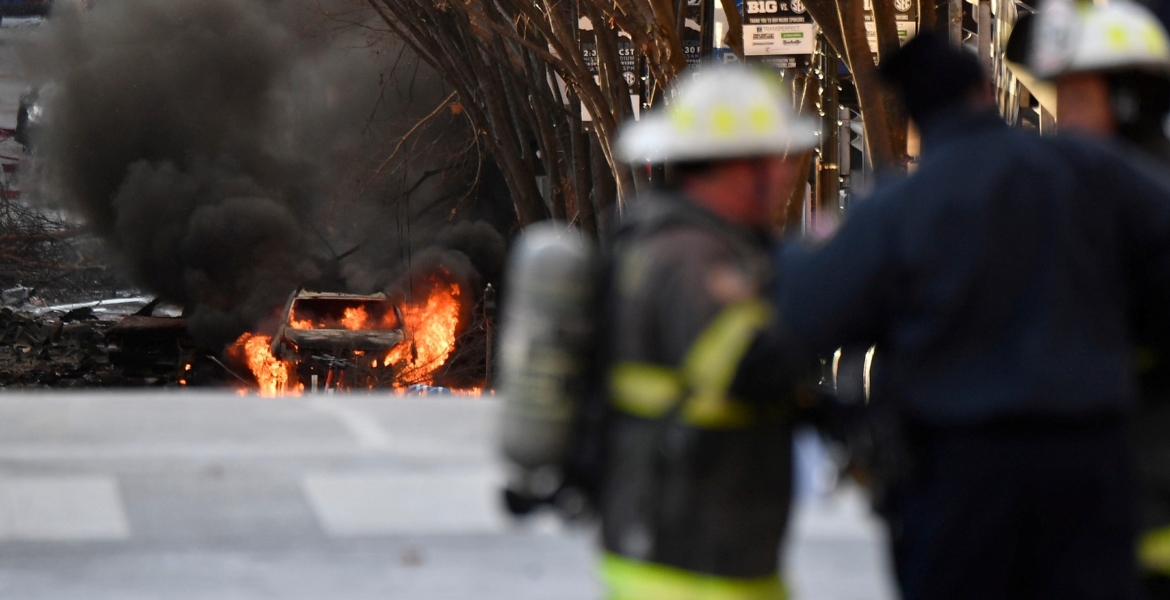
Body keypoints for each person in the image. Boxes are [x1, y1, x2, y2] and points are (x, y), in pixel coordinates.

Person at [774, 31, 1170, 600]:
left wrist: (846, 407)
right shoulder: (1087, 169)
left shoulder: (899, 208)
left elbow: (806, 316)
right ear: (986, 91)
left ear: (913, 115)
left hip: (960, 470)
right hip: (1090, 457)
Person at [594, 65, 816, 599]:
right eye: (773, 159)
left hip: (701, 547)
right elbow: (750, 365)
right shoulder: (694, 258)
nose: (784, 174)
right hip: (690, 557)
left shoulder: (668, 242)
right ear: (740, 167)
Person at [1029, 2, 1170, 595]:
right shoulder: (1067, 201)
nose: (1065, 119)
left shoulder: (1137, 210)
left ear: (1131, 99)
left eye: (1079, 99)